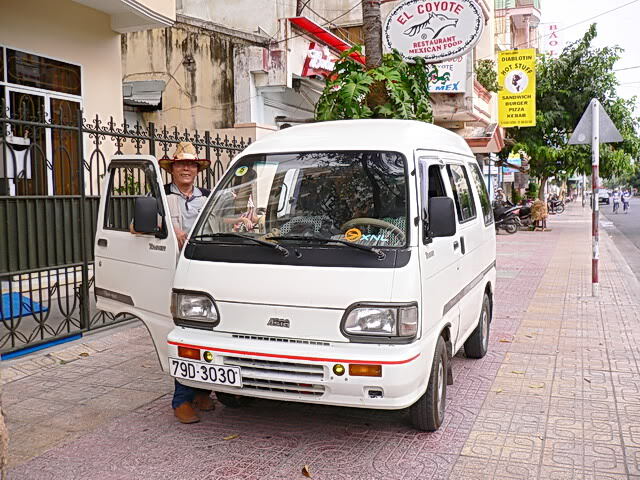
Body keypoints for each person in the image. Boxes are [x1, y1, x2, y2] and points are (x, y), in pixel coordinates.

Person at [158, 142, 216, 424]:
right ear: (172, 169)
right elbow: (136, 226)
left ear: (197, 170)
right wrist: (169, 229)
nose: (186, 169)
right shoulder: (160, 196)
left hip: (205, 270)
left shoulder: (208, 196)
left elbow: (221, 222)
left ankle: (202, 392)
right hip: (176, 274)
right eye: (181, 164)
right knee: (185, 336)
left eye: (191, 165)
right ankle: (181, 399)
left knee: (207, 334)